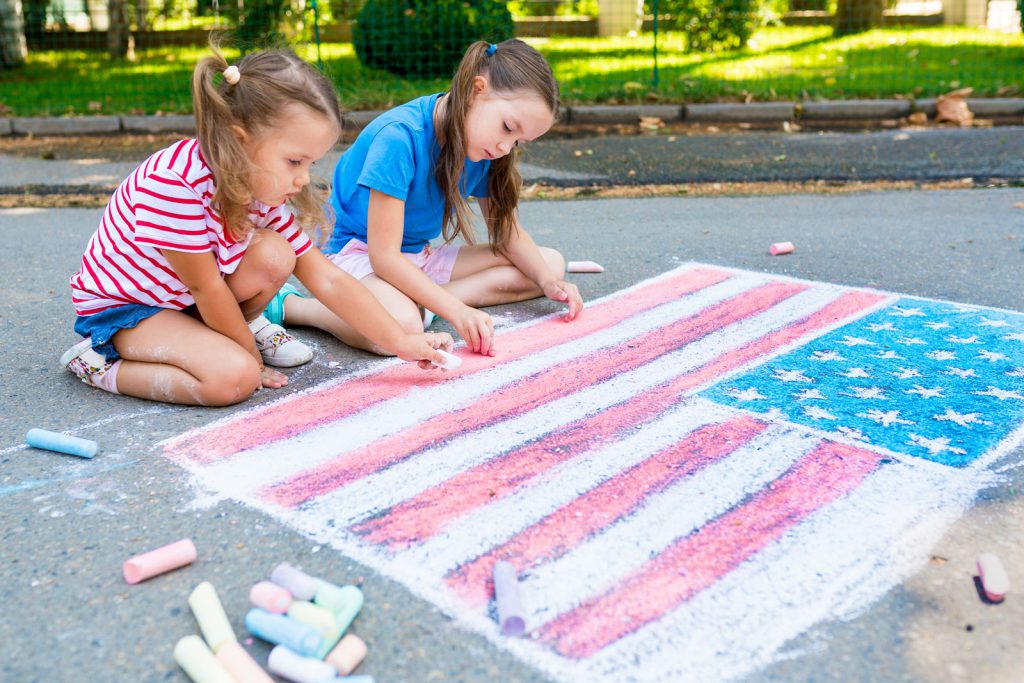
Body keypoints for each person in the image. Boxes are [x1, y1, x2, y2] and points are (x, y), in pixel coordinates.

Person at [61, 47, 452, 406]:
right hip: (129, 310)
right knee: (233, 379)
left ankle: (232, 333)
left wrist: (402, 340)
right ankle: (99, 366)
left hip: (182, 300)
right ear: (239, 141)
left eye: (310, 164)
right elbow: (206, 287)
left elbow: (326, 278)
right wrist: (247, 356)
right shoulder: (173, 187)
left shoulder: (256, 189)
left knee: (275, 253)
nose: (303, 179)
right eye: (295, 161)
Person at [267, 39, 584, 358]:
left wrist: (546, 281)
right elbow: (384, 258)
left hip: (419, 257)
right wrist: (458, 312)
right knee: (402, 325)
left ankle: (426, 301)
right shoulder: (399, 138)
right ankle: (297, 307)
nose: (505, 147)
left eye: (518, 141)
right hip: (358, 255)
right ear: (477, 89)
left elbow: (507, 234)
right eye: (507, 128)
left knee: (549, 264)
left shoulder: (489, 150)